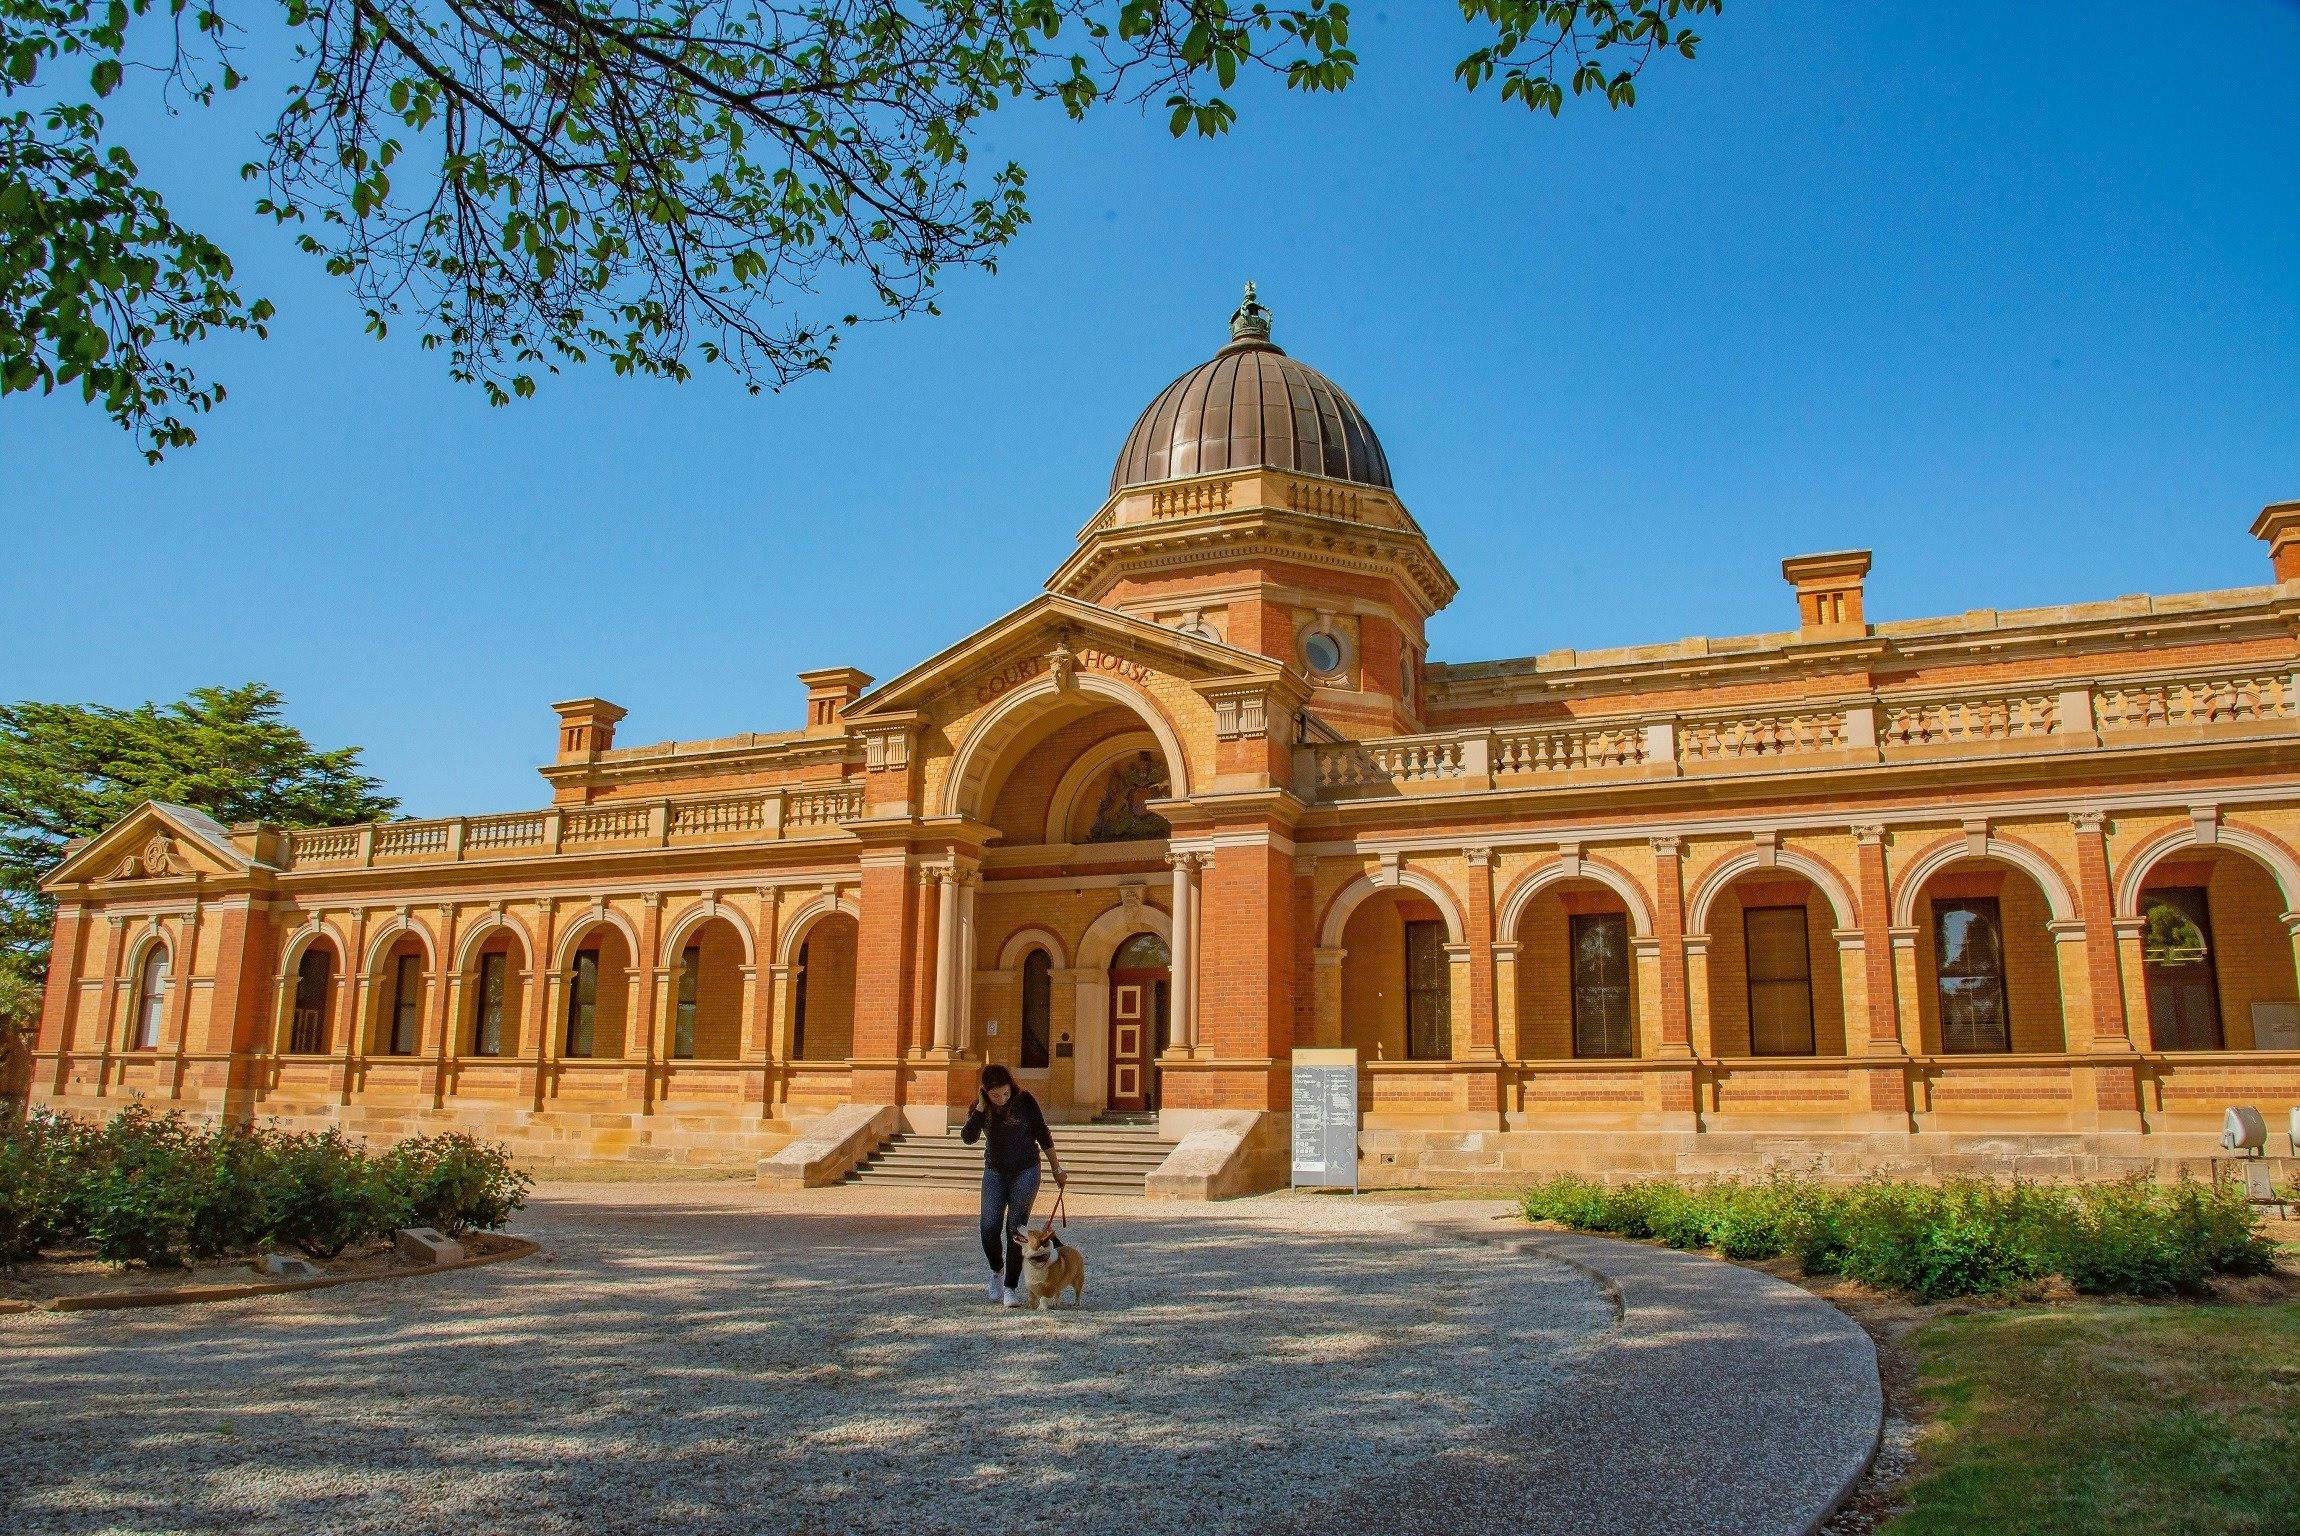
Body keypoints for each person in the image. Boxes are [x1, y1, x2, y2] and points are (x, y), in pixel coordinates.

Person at [962, 1064, 1066, 1307]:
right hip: (995, 1172)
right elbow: (968, 1138)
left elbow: (1042, 1133)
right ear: (985, 1092)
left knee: (1015, 1228)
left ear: (1011, 1086)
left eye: (1005, 1093)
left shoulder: (1025, 1101)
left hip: (1026, 1170)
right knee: (988, 1226)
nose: (1001, 1099)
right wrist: (979, 1108)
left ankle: (1010, 1287)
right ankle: (997, 1272)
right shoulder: (982, 1108)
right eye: (995, 1095)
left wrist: (1056, 1168)